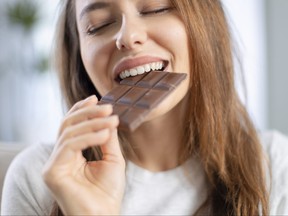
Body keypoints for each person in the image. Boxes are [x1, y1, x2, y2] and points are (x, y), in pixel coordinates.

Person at [1, 0, 288, 215]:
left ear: (205, 22)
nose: (127, 36)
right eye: (98, 25)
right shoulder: (39, 178)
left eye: (156, 8)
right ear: (79, 61)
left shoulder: (274, 166)